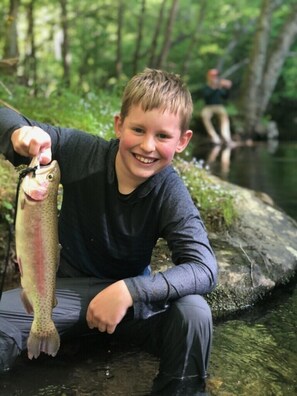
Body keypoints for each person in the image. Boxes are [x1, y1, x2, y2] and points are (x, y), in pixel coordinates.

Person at [0, 68, 218, 395]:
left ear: (183, 141)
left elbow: (204, 268)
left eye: (162, 136)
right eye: (138, 129)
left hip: (129, 311)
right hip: (61, 297)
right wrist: (19, 133)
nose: (147, 146)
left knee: (195, 313)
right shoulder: (81, 151)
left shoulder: (171, 192)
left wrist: (130, 291)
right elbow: (9, 120)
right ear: (119, 125)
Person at [201, 68, 233, 145]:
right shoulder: (206, 87)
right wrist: (215, 87)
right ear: (209, 77)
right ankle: (214, 137)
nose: (214, 77)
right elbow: (206, 96)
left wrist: (228, 89)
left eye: (216, 76)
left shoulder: (219, 88)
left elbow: (225, 97)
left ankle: (226, 138)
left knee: (224, 117)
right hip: (208, 107)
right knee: (204, 116)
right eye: (213, 76)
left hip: (219, 106)